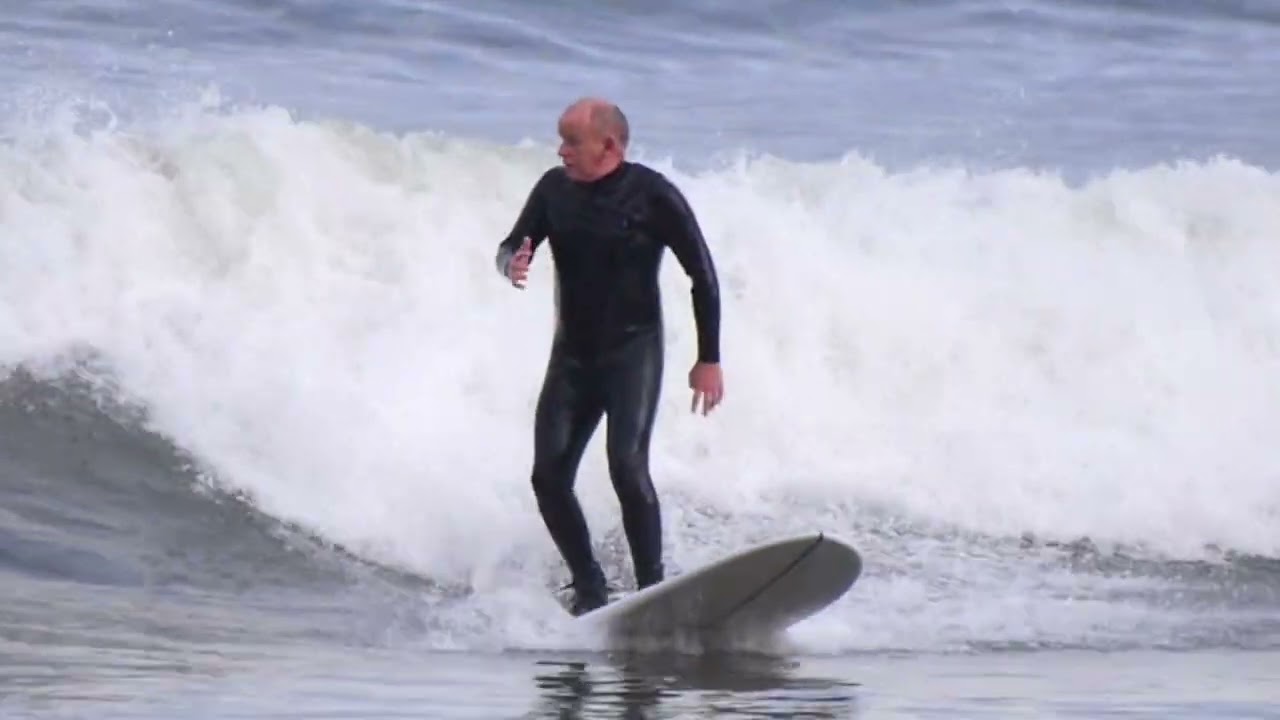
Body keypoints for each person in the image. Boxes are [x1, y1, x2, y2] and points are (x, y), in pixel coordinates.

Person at [494, 97, 725, 615]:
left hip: (632, 353)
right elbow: (510, 244)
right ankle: (590, 586)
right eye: (561, 140)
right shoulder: (553, 190)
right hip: (572, 359)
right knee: (548, 477)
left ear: (609, 146)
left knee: (626, 466)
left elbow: (702, 275)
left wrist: (708, 358)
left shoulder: (654, 195)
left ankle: (652, 589)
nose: (561, 151)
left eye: (571, 142)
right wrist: (513, 261)